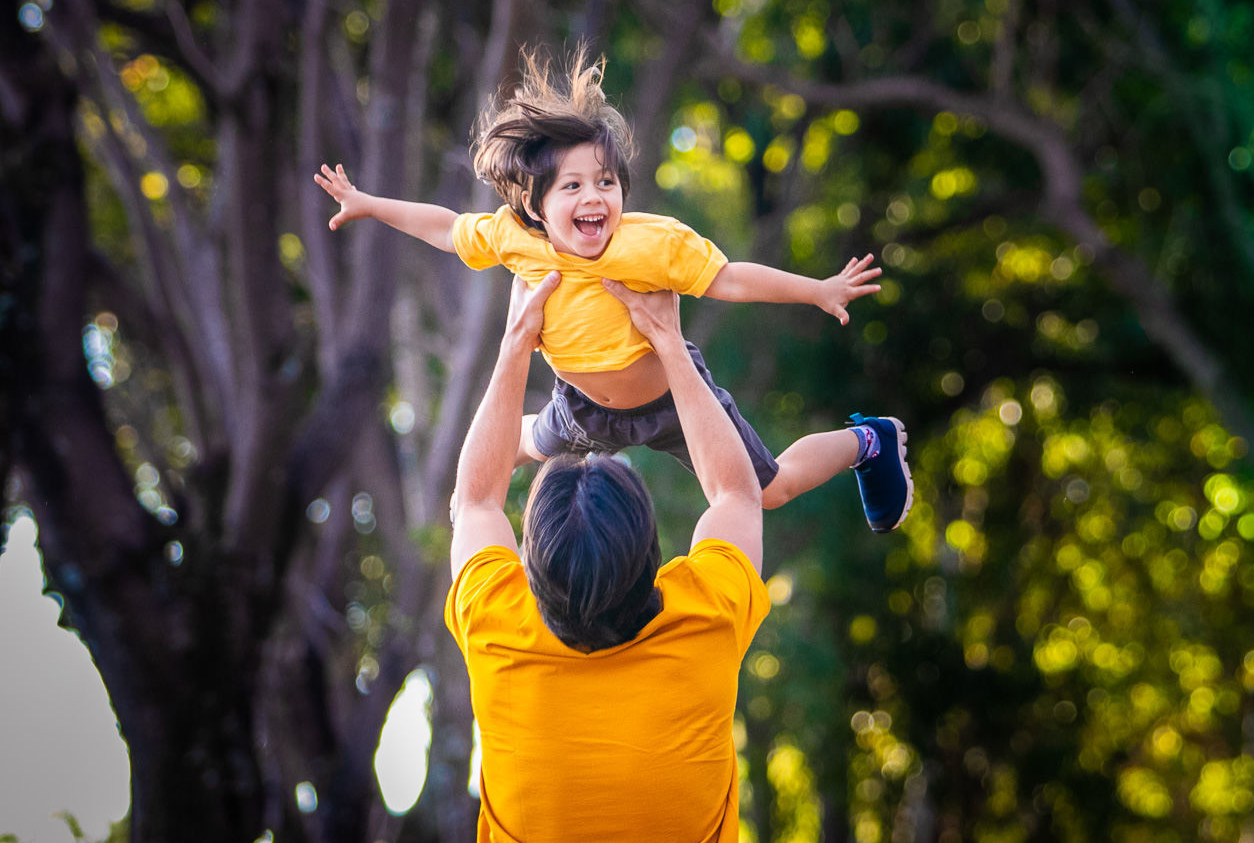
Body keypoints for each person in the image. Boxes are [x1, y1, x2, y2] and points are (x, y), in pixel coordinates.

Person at [317, 48, 911, 531]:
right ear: (535, 204)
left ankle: (868, 442)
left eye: (605, 181)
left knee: (769, 490)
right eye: (572, 186)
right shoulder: (513, 237)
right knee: (521, 443)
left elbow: (729, 278)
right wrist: (368, 204)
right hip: (581, 409)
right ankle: (492, 479)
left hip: (673, 401)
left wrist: (817, 290)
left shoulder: (649, 244)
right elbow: (445, 228)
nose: (594, 198)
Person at [447, 270, 767, 843]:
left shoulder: (496, 628)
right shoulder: (704, 619)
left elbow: (475, 500)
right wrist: (669, 343)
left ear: (530, 569)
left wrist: (518, 339)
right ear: (656, 561)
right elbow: (740, 494)